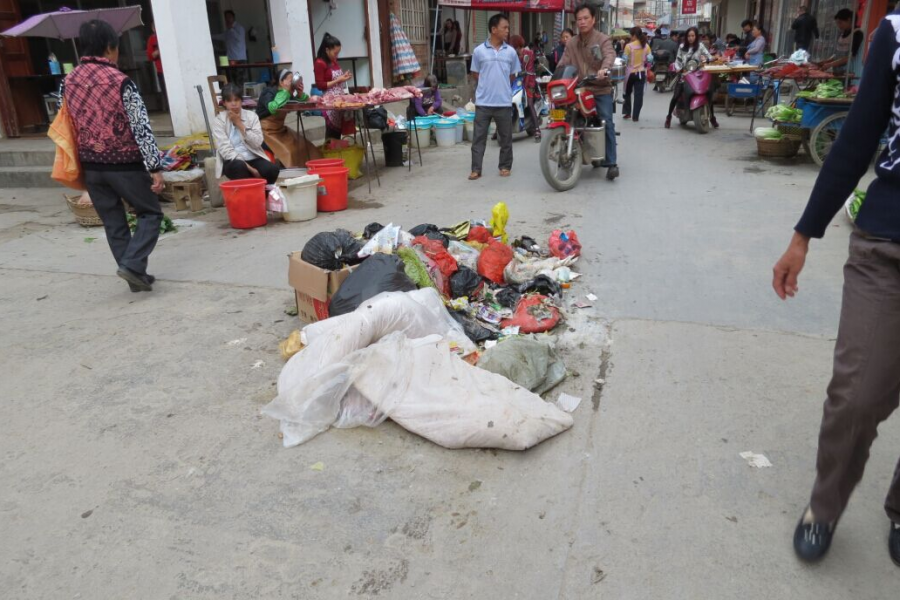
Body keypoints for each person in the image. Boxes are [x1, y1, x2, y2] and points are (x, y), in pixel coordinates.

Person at [771, 8, 900, 568]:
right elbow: (857, 136)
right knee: (856, 395)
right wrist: (804, 234)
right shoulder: (897, 31)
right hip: (887, 246)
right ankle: (824, 507)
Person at [62, 19, 164, 293]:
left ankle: (134, 277)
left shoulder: (68, 81)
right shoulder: (121, 81)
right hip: (125, 164)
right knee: (151, 213)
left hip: (91, 165)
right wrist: (154, 166)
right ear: (110, 47)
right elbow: (140, 126)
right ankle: (132, 265)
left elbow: (66, 123)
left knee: (113, 221)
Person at [558, 3, 619, 180]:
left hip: (599, 88)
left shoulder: (602, 39)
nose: (582, 22)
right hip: (578, 88)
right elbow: (563, 62)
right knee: (563, 115)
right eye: (579, 19)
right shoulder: (572, 43)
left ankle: (612, 163)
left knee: (606, 120)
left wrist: (604, 69)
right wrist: (556, 75)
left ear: (593, 19)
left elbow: (609, 55)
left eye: (586, 18)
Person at [468, 14, 521, 181]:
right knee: (479, 138)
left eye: (507, 28)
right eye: (504, 27)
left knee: (505, 138)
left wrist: (501, 85)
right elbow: (475, 73)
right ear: (493, 29)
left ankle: (505, 166)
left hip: (504, 102)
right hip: (483, 102)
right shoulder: (478, 51)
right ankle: (476, 169)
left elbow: (512, 75)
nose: (507, 31)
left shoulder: (511, 52)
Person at [213, 83, 279, 185]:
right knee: (239, 167)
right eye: (229, 101)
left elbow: (257, 142)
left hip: (253, 157)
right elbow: (226, 151)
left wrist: (239, 124)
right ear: (224, 103)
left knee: (272, 169)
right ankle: (247, 196)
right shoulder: (219, 121)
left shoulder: (252, 116)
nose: (234, 104)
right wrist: (252, 170)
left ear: (241, 101)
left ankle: (263, 196)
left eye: (236, 100)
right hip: (233, 160)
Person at [256, 69, 322, 167]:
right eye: (290, 81)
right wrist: (285, 92)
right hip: (266, 131)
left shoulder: (287, 94)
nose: (292, 84)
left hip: (280, 129)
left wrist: (299, 93)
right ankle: (293, 174)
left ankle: (315, 168)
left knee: (304, 145)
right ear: (281, 82)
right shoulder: (269, 92)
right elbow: (273, 107)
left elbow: (299, 102)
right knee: (289, 152)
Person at [664, 26, 715, 129]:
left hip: (698, 76)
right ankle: (668, 116)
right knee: (676, 96)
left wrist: (710, 58)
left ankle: (712, 117)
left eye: (692, 36)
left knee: (709, 93)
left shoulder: (700, 46)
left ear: (696, 37)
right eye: (689, 36)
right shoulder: (682, 47)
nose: (690, 38)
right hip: (684, 76)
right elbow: (678, 60)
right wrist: (679, 69)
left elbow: (709, 56)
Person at [314, 33, 355, 139]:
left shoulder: (333, 61)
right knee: (332, 132)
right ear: (327, 50)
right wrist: (339, 79)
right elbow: (320, 85)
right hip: (330, 101)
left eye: (338, 53)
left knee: (338, 132)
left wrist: (343, 77)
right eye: (335, 53)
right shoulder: (320, 63)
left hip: (339, 99)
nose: (336, 56)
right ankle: (330, 152)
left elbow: (336, 79)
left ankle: (337, 150)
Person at [510, 34, 542, 142]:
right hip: (517, 82)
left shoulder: (529, 54)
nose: (515, 50)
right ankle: (499, 130)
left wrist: (525, 81)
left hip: (529, 82)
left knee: (530, 102)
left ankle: (537, 129)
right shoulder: (513, 56)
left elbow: (530, 70)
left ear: (519, 46)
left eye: (515, 47)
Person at [820, 9, 865, 80]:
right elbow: (837, 53)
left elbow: (850, 56)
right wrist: (826, 61)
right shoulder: (843, 33)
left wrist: (830, 64)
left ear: (849, 20)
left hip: (851, 72)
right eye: (837, 23)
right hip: (839, 72)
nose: (838, 25)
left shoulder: (857, 33)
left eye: (840, 23)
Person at [622, 26, 651, 122]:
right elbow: (650, 59)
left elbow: (624, 60)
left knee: (627, 92)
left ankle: (627, 113)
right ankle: (635, 116)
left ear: (634, 35)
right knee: (638, 95)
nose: (630, 37)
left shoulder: (628, 46)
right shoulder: (646, 46)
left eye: (631, 35)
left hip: (630, 73)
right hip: (641, 73)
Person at [145, 21, 165, 110]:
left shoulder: (166, 36)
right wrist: (157, 52)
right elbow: (150, 56)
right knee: (165, 91)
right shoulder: (152, 39)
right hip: (161, 70)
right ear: (153, 29)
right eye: (154, 27)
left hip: (172, 69)